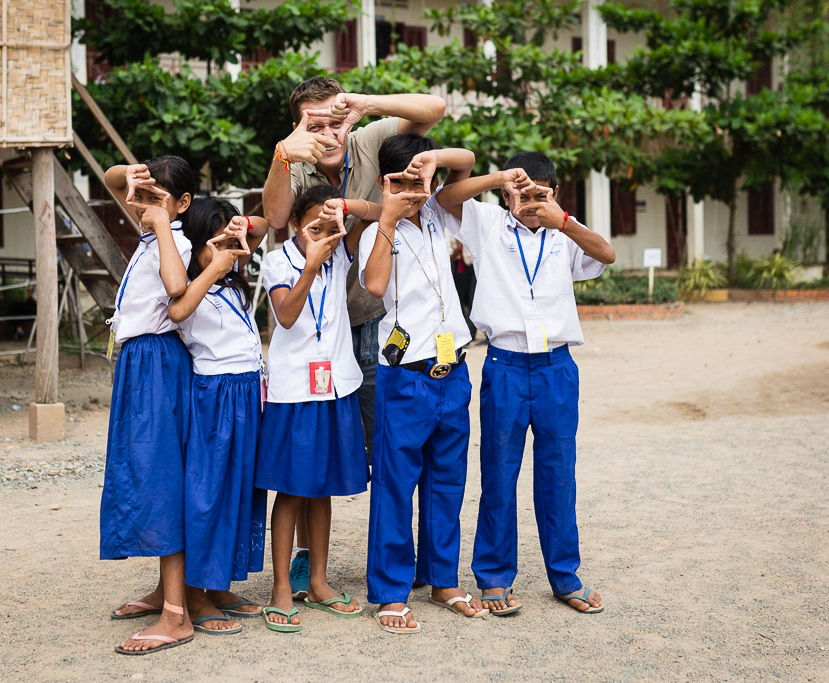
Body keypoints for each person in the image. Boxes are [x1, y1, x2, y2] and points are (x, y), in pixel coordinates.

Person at [262, 76, 446, 596]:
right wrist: (282, 154)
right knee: (310, 462)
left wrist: (364, 105)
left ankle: (397, 559)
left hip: (373, 317)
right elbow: (275, 217)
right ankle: (305, 563)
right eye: (313, 123)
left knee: (386, 446)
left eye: (335, 120)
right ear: (298, 124)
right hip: (315, 335)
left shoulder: (364, 137)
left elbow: (434, 108)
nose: (327, 132)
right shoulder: (292, 159)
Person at [437, 151, 615, 615]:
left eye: (542, 193)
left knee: (558, 475)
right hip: (506, 366)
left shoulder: (565, 232)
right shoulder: (488, 223)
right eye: (523, 192)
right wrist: (500, 180)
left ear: (556, 194)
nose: (532, 201)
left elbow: (607, 255)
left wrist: (566, 221)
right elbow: (445, 195)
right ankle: (494, 576)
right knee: (499, 472)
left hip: (557, 368)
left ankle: (565, 575)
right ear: (505, 193)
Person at [358, 133, 487, 634]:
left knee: (447, 481)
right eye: (404, 179)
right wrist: (387, 214)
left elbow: (468, 162)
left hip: (452, 371)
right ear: (385, 180)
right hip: (405, 374)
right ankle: (392, 592)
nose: (415, 188)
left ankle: (442, 579)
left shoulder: (439, 213)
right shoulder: (375, 230)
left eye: (422, 178)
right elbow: (373, 286)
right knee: (395, 484)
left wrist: (432, 163)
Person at [255, 186, 373, 632]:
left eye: (331, 229)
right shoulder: (277, 261)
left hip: (336, 384)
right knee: (290, 489)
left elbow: (380, 212)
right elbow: (286, 315)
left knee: (321, 488)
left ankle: (320, 582)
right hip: (295, 391)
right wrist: (310, 263)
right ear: (297, 224)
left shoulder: (339, 253)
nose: (324, 235)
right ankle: (281, 588)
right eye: (314, 227)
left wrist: (346, 213)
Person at [99, 156, 198, 655]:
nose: (144, 204)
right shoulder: (147, 232)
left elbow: (179, 290)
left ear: (181, 204)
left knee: (160, 480)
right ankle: (166, 591)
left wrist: (161, 219)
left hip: (159, 365)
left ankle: (176, 616)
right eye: (145, 195)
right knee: (142, 473)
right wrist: (135, 178)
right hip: (139, 363)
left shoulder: (176, 240)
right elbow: (112, 179)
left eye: (162, 197)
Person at [167, 197, 270, 635]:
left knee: (240, 492)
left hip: (248, 394)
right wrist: (211, 263)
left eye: (231, 241)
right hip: (216, 397)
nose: (227, 250)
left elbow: (263, 225)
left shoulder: (232, 285)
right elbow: (177, 312)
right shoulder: (191, 286)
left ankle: (219, 585)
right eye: (215, 242)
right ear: (194, 247)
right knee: (209, 494)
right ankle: (194, 592)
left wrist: (237, 231)